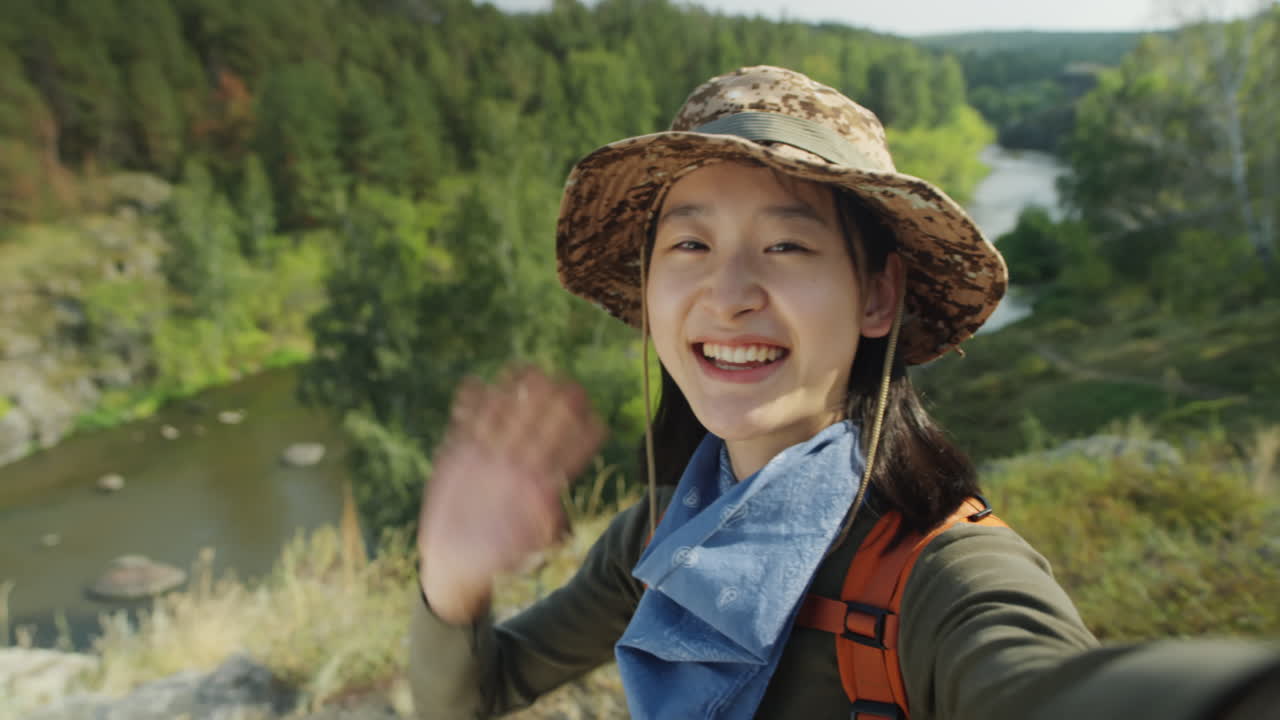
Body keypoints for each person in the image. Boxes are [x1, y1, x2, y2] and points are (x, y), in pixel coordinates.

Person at [410, 66, 1280, 719]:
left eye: (786, 247)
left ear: (878, 295)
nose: (730, 292)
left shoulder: (948, 579)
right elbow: (477, 691)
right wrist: (450, 580)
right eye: (689, 246)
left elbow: (1042, 683)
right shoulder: (665, 535)